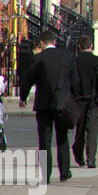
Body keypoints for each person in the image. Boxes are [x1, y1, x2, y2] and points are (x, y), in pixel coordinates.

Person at [19, 34, 77, 183]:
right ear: (55, 42)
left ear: (42, 43)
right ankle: (64, 172)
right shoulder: (67, 57)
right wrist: (75, 98)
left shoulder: (39, 58)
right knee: (62, 137)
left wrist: (23, 97)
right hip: (62, 103)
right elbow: (74, 79)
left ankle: (46, 174)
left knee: (44, 140)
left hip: (43, 104)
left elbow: (27, 78)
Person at [71, 36, 98, 169]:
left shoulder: (75, 61)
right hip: (95, 100)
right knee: (92, 130)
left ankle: (79, 156)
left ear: (79, 47)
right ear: (91, 46)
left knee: (80, 129)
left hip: (79, 100)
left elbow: (71, 81)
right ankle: (91, 159)